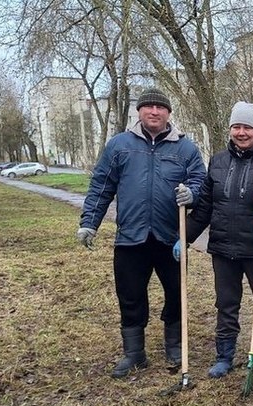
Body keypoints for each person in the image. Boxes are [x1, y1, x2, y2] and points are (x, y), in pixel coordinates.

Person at [76, 88, 206, 378]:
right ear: (139, 111)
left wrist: (192, 193)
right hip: (130, 238)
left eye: (160, 107)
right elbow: (102, 185)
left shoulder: (185, 148)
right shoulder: (120, 145)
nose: (154, 112)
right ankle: (134, 353)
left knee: (176, 293)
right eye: (148, 107)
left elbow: (201, 181)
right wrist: (89, 222)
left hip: (171, 238)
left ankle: (174, 345)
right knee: (131, 295)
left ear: (169, 113)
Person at [172, 102, 253, 380]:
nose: (241, 132)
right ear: (230, 129)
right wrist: (184, 237)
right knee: (226, 303)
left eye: (247, 127)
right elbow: (204, 209)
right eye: (236, 126)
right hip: (224, 248)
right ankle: (224, 356)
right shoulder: (217, 162)